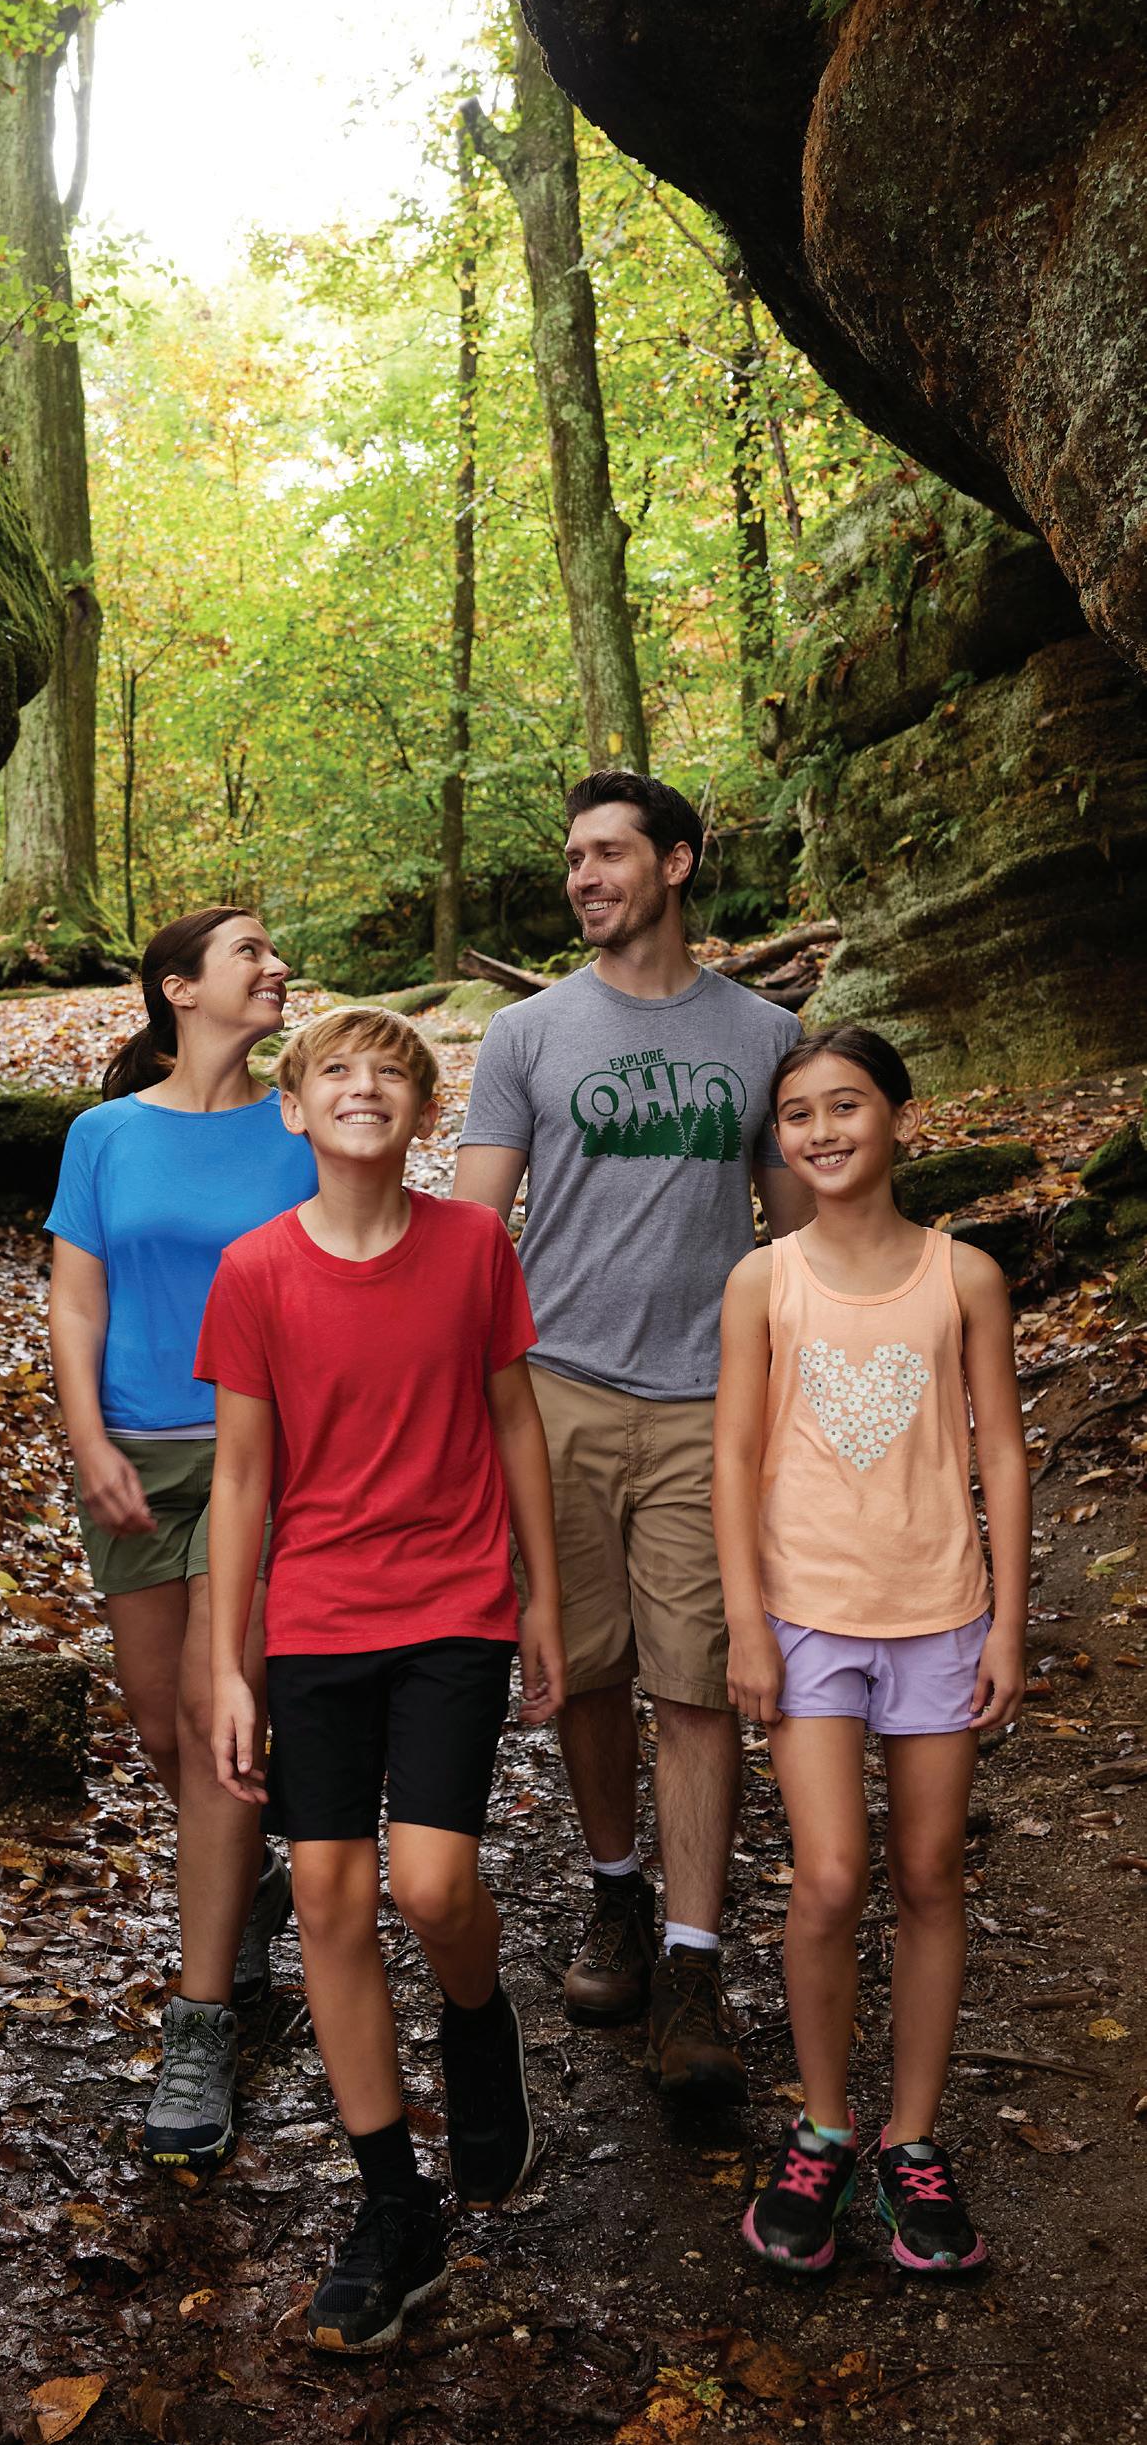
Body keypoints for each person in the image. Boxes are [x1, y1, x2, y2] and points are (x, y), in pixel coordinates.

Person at [201, 1007, 565, 2355]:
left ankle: (476, 2016)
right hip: (314, 1616)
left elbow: (515, 1417)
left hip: (453, 1602)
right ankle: (393, 2206)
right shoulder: (254, 1268)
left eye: (394, 1074)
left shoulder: (472, 1246)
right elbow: (240, 1475)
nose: (366, 1088)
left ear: (423, 1112)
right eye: (337, 1072)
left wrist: (544, 1595)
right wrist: (229, 1661)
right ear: (293, 1110)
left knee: (431, 1884)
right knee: (325, 1893)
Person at [454, 770, 809, 2101]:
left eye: (607, 852)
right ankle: (616, 1889)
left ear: (675, 861)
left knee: (697, 1680)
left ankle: (692, 1963)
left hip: (710, 1402)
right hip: (555, 1390)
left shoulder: (764, 1032)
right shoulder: (526, 1034)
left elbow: (798, 1238)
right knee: (588, 1668)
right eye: (571, 858)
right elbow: (471, 1233)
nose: (583, 877)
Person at [714, 1024, 1028, 2275]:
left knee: (929, 1871)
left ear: (898, 1115)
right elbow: (731, 1456)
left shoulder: (962, 1276)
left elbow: (999, 1449)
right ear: (776, 1139)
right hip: (803, 1616)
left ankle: (910, 2138)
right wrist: (745, 1619)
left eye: (845, 1104)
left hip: (939, 1610)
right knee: (830, 1875)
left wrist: (1005, 1618)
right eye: (796, 1113)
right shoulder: (763, 1279)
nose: (821, 1130)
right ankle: (823, 2126)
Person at [46, 908, 317, 2176]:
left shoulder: (300, 1125)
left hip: (264, 1455)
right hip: (136, 1452)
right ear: (178, 987)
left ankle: (199, 2023)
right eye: (248, 951)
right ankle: (246, 1878)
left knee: (214, 1725)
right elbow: (75, 1296)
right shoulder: (102, 1134)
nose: (275, 967)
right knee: (161, 1726)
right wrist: (85, 1438)